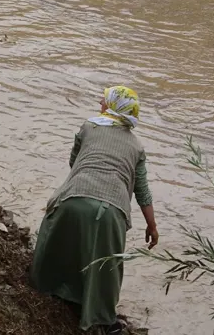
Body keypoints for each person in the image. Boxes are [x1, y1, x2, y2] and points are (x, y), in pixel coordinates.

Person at [30, 86, 158, 335]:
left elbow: (74, 162)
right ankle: (102, 319)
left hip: (72, 198)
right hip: (110, 210)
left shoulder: (89, 127)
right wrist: (152, 226)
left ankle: (49, 288)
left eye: (104, 99)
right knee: (105, 267)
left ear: (111, 106)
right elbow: (142, 191)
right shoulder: (137, 147)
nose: (100, 101)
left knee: (60, 245)